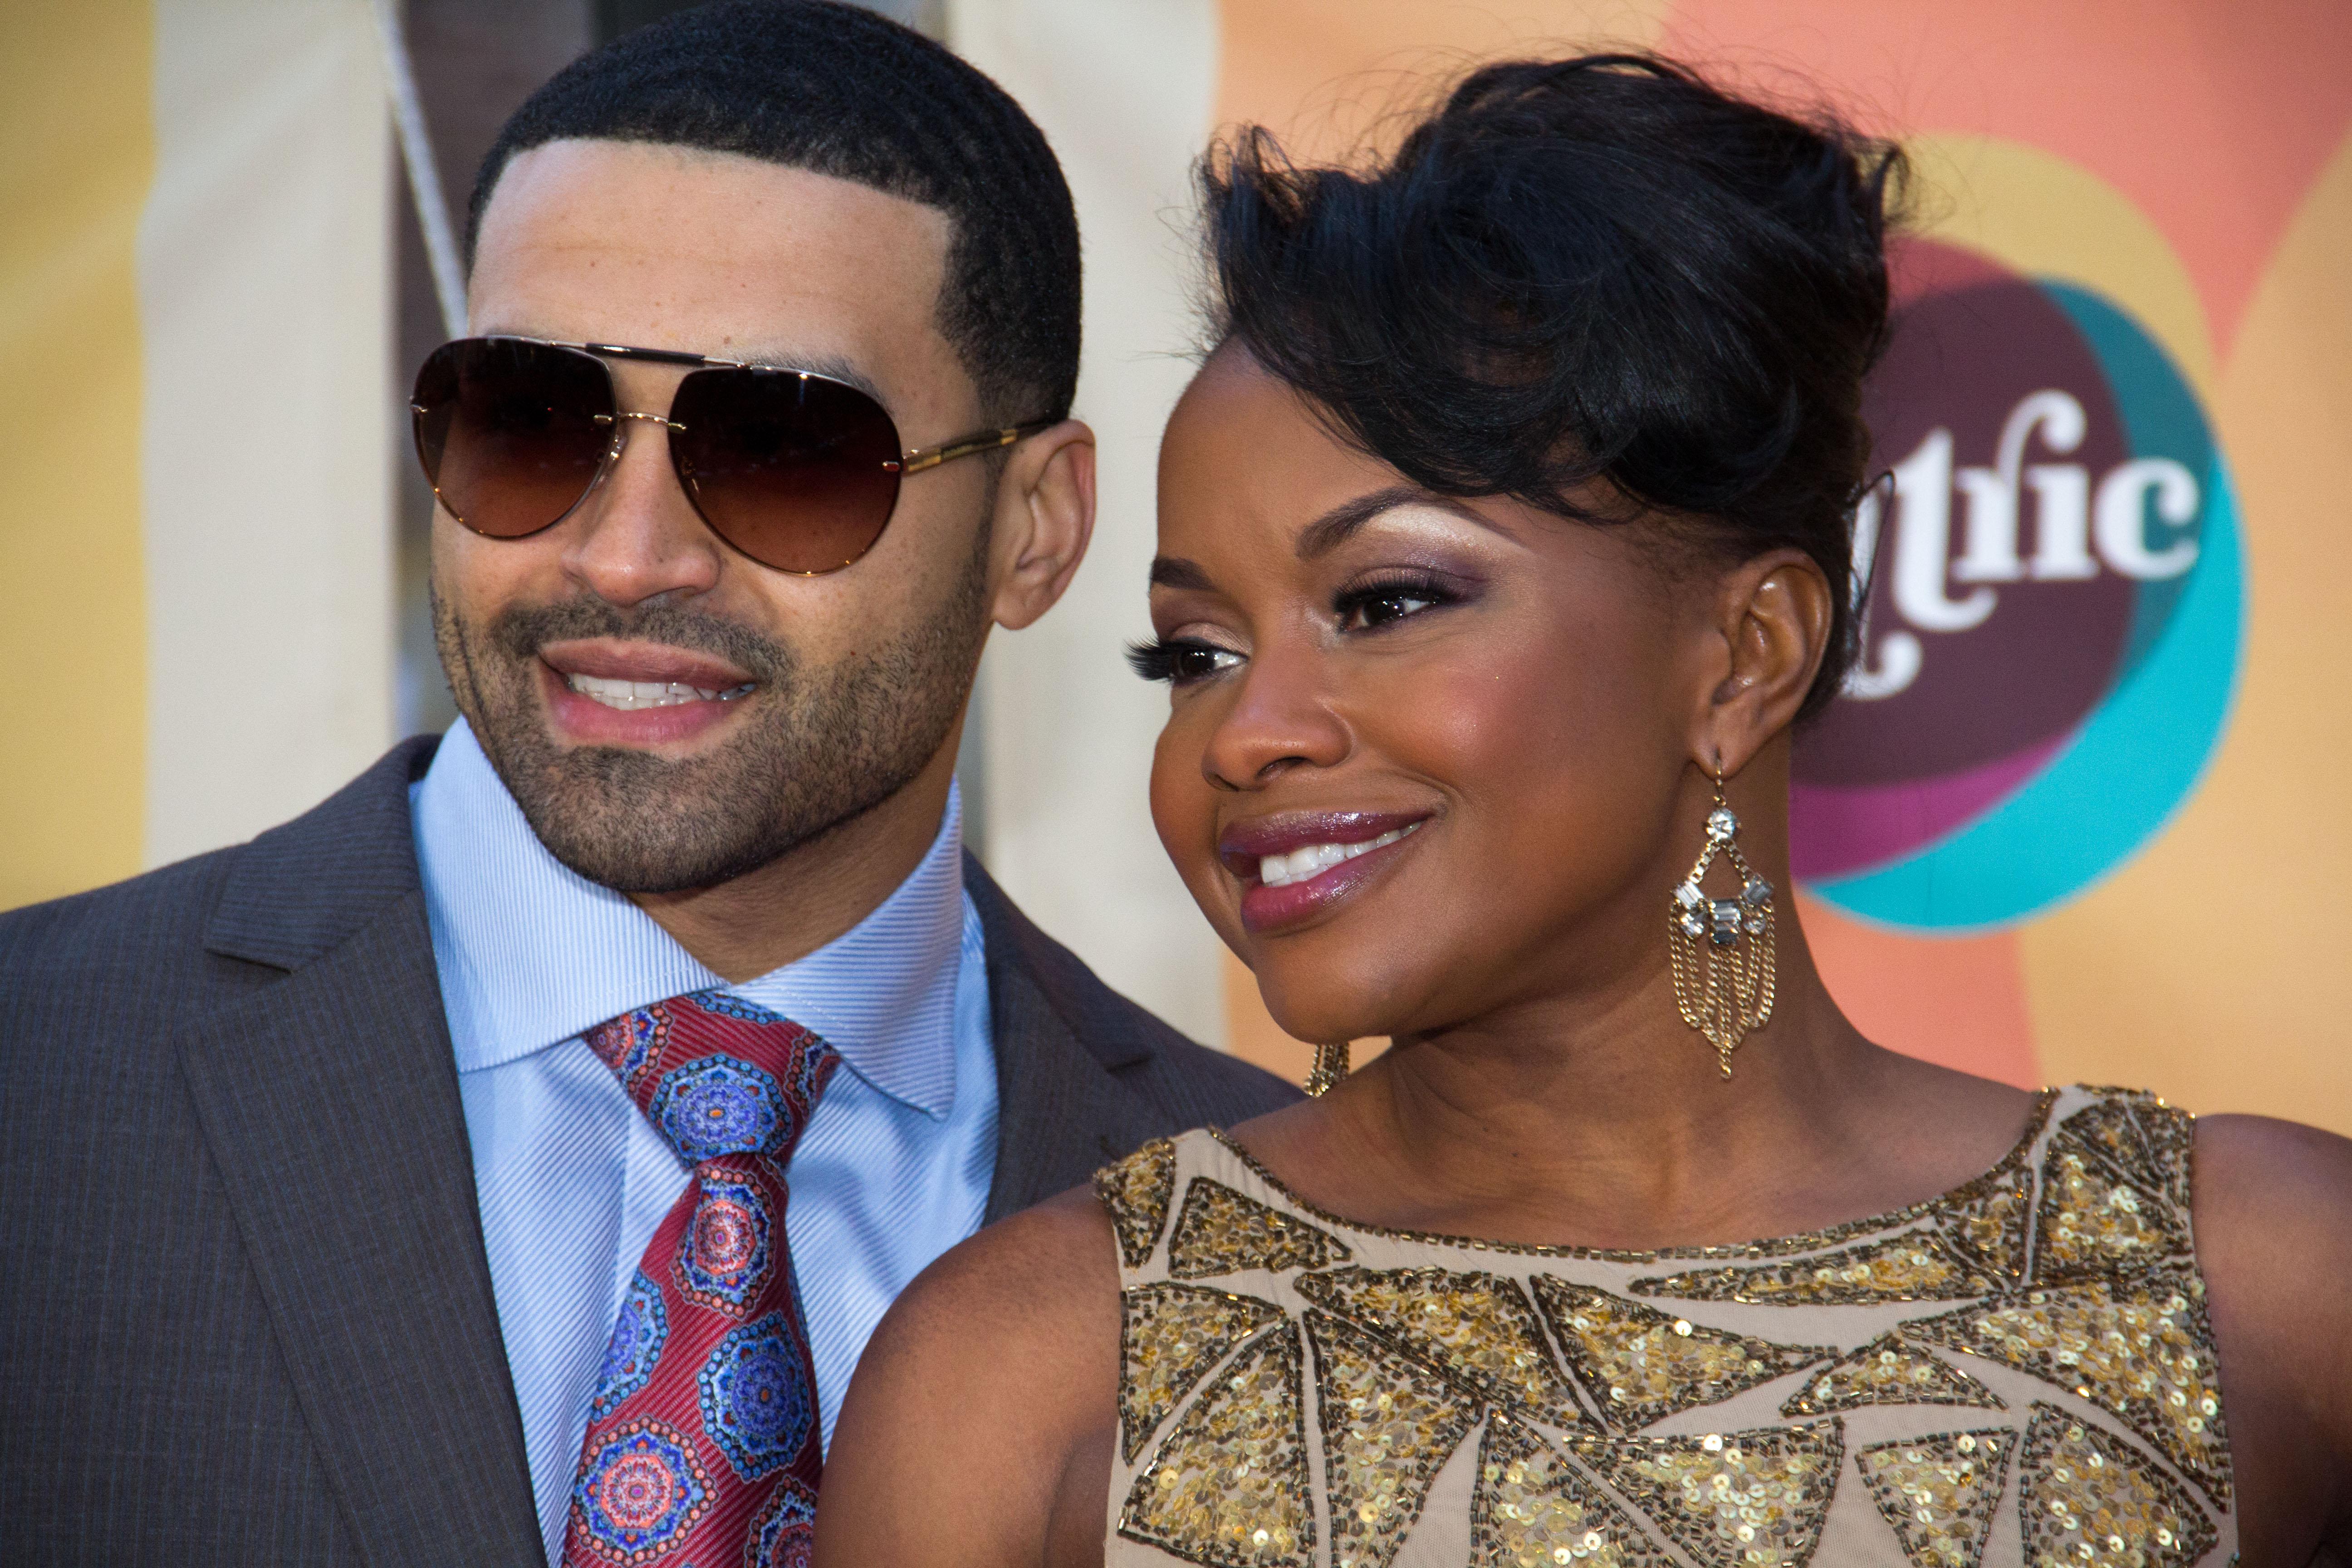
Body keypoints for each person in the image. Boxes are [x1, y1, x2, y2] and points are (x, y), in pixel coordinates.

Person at [814, 55, 2352, 1568]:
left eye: (1387, 600)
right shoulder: (1024, 1380)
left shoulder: (2262, 1280)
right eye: (1196, 655)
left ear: (1745, 658)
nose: (1246, 734)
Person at [0, 5, 1295, 1563]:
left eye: (788, 449)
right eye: (531, 421)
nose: (625, 556)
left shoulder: (1268, 1224)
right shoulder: (38, 1081)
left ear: (1035, 527)